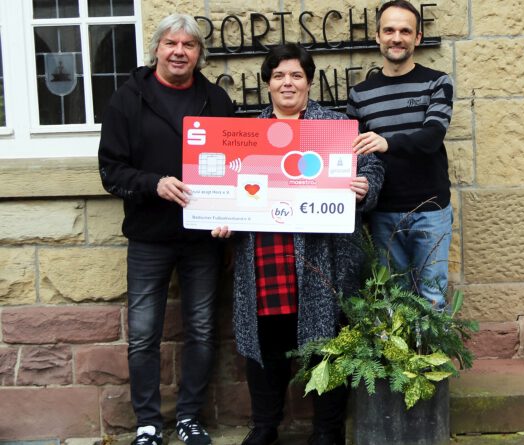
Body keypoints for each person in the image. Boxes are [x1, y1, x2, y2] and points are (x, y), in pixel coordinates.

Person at [212, 43, 383, 445]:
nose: (287, 83)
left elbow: (373, 167)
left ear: (308, 82)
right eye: (278, 76)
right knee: (266, 341)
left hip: (324, 256)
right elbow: (225, 186)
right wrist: (218, 216)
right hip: (265, 254)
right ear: (267, 84)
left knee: (327, 342)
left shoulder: (337, 127)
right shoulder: (245, 133)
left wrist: (366, 187)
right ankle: (265, 426)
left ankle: (327, 430)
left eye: (295, 75)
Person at [98, 13, 235, 445]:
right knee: (143, 335)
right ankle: (147, 424)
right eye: (171, 43)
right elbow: (110, 171)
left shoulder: (217, 101)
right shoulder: (127, 99)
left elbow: (236, 169)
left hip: (203, 240)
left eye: (189, 45)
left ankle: (190, 418)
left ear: (199, 54)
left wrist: (232, 215)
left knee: (202, 331)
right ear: (156, 48)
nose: (179, 52)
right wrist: (153, 184)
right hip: (148, 238)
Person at [347, 0, 454, 308]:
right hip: (382, 213)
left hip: (430, 210)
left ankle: (436, 345)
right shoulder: (360, 94)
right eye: (389, 30)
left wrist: (387, 143)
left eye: (405, 31)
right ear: (378, 36)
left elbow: (432, 136)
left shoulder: (437, 82)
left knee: (432, 300)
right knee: (393, 302)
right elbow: (357, 156)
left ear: (417, 37)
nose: (397, 38)